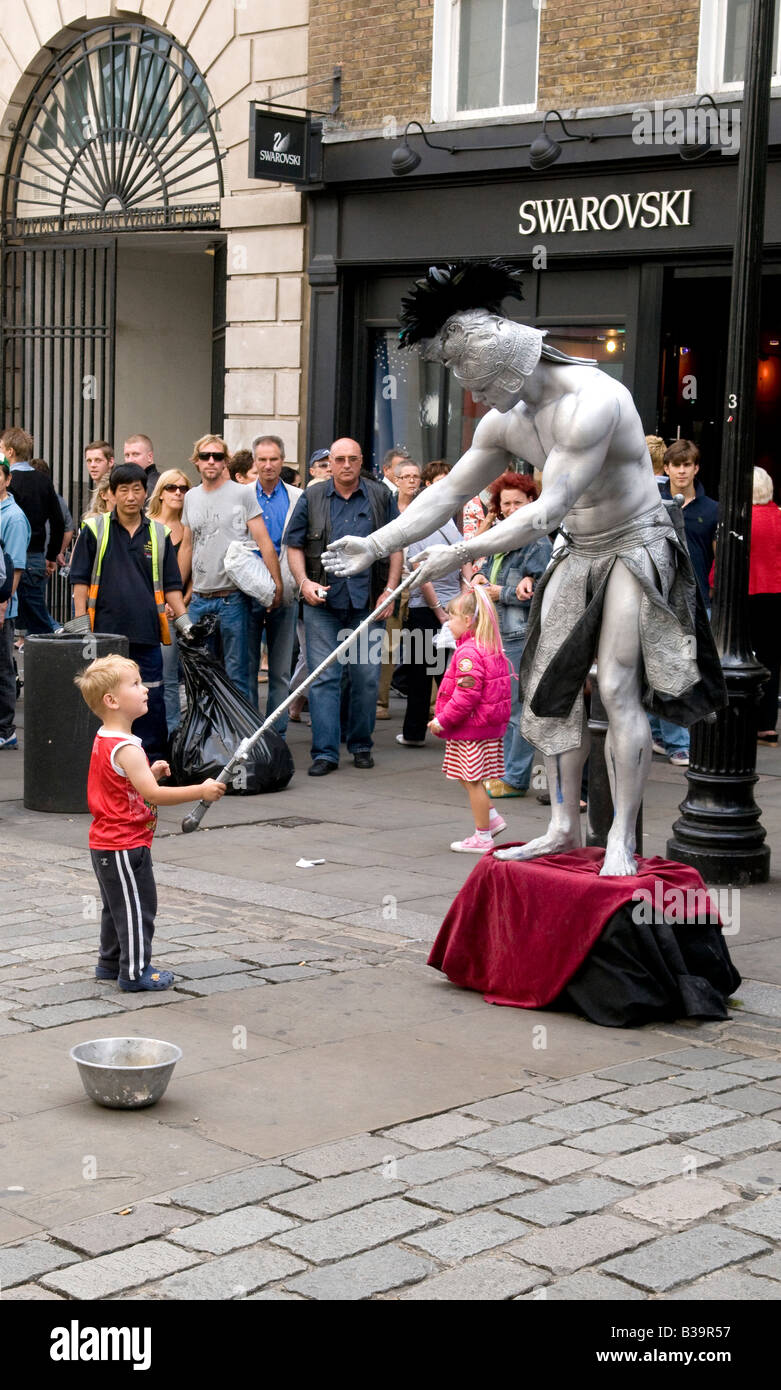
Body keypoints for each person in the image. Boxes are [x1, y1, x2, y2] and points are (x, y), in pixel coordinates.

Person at [324, 260, 726, 876]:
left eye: (475, 379)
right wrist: (375, 545)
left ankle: (619, 835)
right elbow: (447, 493)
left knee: (615, 686)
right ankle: (564, 826)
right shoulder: (505, 418)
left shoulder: (593, 401)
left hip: (632, 542)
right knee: (546, 689)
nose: (474, 394)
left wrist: (461, 552)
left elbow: (547, 511)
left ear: (506, 362)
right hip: (579, 546)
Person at [74, 655, 225, 991]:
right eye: (135, 684)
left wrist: (148, 772)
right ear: (112, 701)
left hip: (108, 844)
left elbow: (122, 783)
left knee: (117, 908)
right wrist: (201, 789)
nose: (145, 690)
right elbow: (153, 796)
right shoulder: (126, 747)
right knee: (138, 909)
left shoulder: (107, 738)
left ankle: (109, 962)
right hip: (124, 845)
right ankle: (134, 973)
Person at [285, 437, 402, 774]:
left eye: (353, 458)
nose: (347, 465)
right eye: (340, 459)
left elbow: (397, 544)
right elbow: (293, 545)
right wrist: (304, 583)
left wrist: (390, 590)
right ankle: (325, 753)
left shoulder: (381, 495)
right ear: (330, 463)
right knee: (324, 677)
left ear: (361, 460)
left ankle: (361, 745)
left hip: (368, 601)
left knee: (366, 676)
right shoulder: (313, 496)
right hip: (323, 601)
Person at [69, 463, 188, 761]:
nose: (131, 496)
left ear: (146, 493)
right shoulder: (95, 529)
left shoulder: (159, 534)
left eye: (137, 489)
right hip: (105, 634)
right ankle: (108, 763)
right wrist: (82, 627)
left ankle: (152, 762)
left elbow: (173, 585)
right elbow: (80, 581)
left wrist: (186, 622)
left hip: (147, 632)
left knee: (149, 698)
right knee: (107, 700)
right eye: (124, 490)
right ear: (111, 494)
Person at [177, 434, 282, 703]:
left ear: (226, 461)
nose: (211, 461)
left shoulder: (242, 493)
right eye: (205, 456)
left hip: (233, 599)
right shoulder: (191, 497)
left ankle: (243, 740)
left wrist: (276, 586)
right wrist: (175, 592)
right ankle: (209, 737)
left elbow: (264, 542)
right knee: (202, 672)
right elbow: (187, 546)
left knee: (238, 675)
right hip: (200, 598)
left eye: (217, 456)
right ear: (196, 462)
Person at [473, 471, 552, 797]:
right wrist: (478, 576)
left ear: (531, 501)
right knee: (502, 706)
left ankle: (515, 777)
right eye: (506, 503)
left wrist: (499, 592)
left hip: (518, 636)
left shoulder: (537, 542)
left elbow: (540, 591)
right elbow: (485, 568)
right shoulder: (502, 537)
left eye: (518, 502)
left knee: (518, 708)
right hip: (495, 632)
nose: (511, 508)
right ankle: (505, 772)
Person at [428, 586, 511, 852]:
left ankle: (482, 837)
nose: (447, 622)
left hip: (471, 728)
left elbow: (466, 697)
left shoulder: (468, 653)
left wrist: (443, 721)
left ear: (468, 621)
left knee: (473, 780)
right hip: (485, 726)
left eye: (451, 617)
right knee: (464, 774)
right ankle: (492, 818)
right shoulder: (488, 646)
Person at [397, 494, 472, 747]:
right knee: (449, 671)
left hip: (428, 610)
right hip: (454, 609)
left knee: (421, 672)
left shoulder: (420, 530)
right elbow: (466, 563)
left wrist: (440, 612)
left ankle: (414, 733)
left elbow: (422, 576)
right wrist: (463, 601)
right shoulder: (451, 528)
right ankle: (458, 727)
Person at [246, 434, 301, 727]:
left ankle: (275, 734)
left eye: (274, 459)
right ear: (255, 462)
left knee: (280, 671)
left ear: (283, 461)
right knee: (247, 669)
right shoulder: (242, 495)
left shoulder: (297, 497)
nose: (268, 465)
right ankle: (251, 735)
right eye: (262, 459)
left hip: (287, 592)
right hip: (248, 593)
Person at [1, 427, 64, 636]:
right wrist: (51, 555)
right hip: (37, 557)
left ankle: (53, 654)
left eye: (1, 448)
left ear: (10, 451)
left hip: (13, 559)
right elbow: (58, 520)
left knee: (34, 620)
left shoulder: (10, 483)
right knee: (32, 614)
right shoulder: (43, 480)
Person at [147, 469, 191, 737]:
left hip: (176, 611)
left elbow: (191, 572)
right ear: (160, 492)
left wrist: (180, 603)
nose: (177, 493)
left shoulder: (189, 528)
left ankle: (172, 733)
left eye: (184, 489)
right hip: (146, 609)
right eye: (172, 487)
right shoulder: (146, 524)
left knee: (169, 676)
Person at [748, 466, 781, 746]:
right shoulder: (780, 517)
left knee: (740, 660)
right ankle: (767, 725)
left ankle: (743, 718)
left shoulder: (743, 521)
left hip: (747, 595)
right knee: (772, 661)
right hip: (776, 596)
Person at [0, 458, 31, 750]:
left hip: (0, 607)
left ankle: (4, 729)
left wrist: (2, 604)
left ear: (8, 479)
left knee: (2, 668)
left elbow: (14, 568)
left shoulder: (13, 517)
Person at [124, 434, 159, 498]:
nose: (130, 460)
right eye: (127, 455)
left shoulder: (152, 486)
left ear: (150, 457)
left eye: (135, 454)